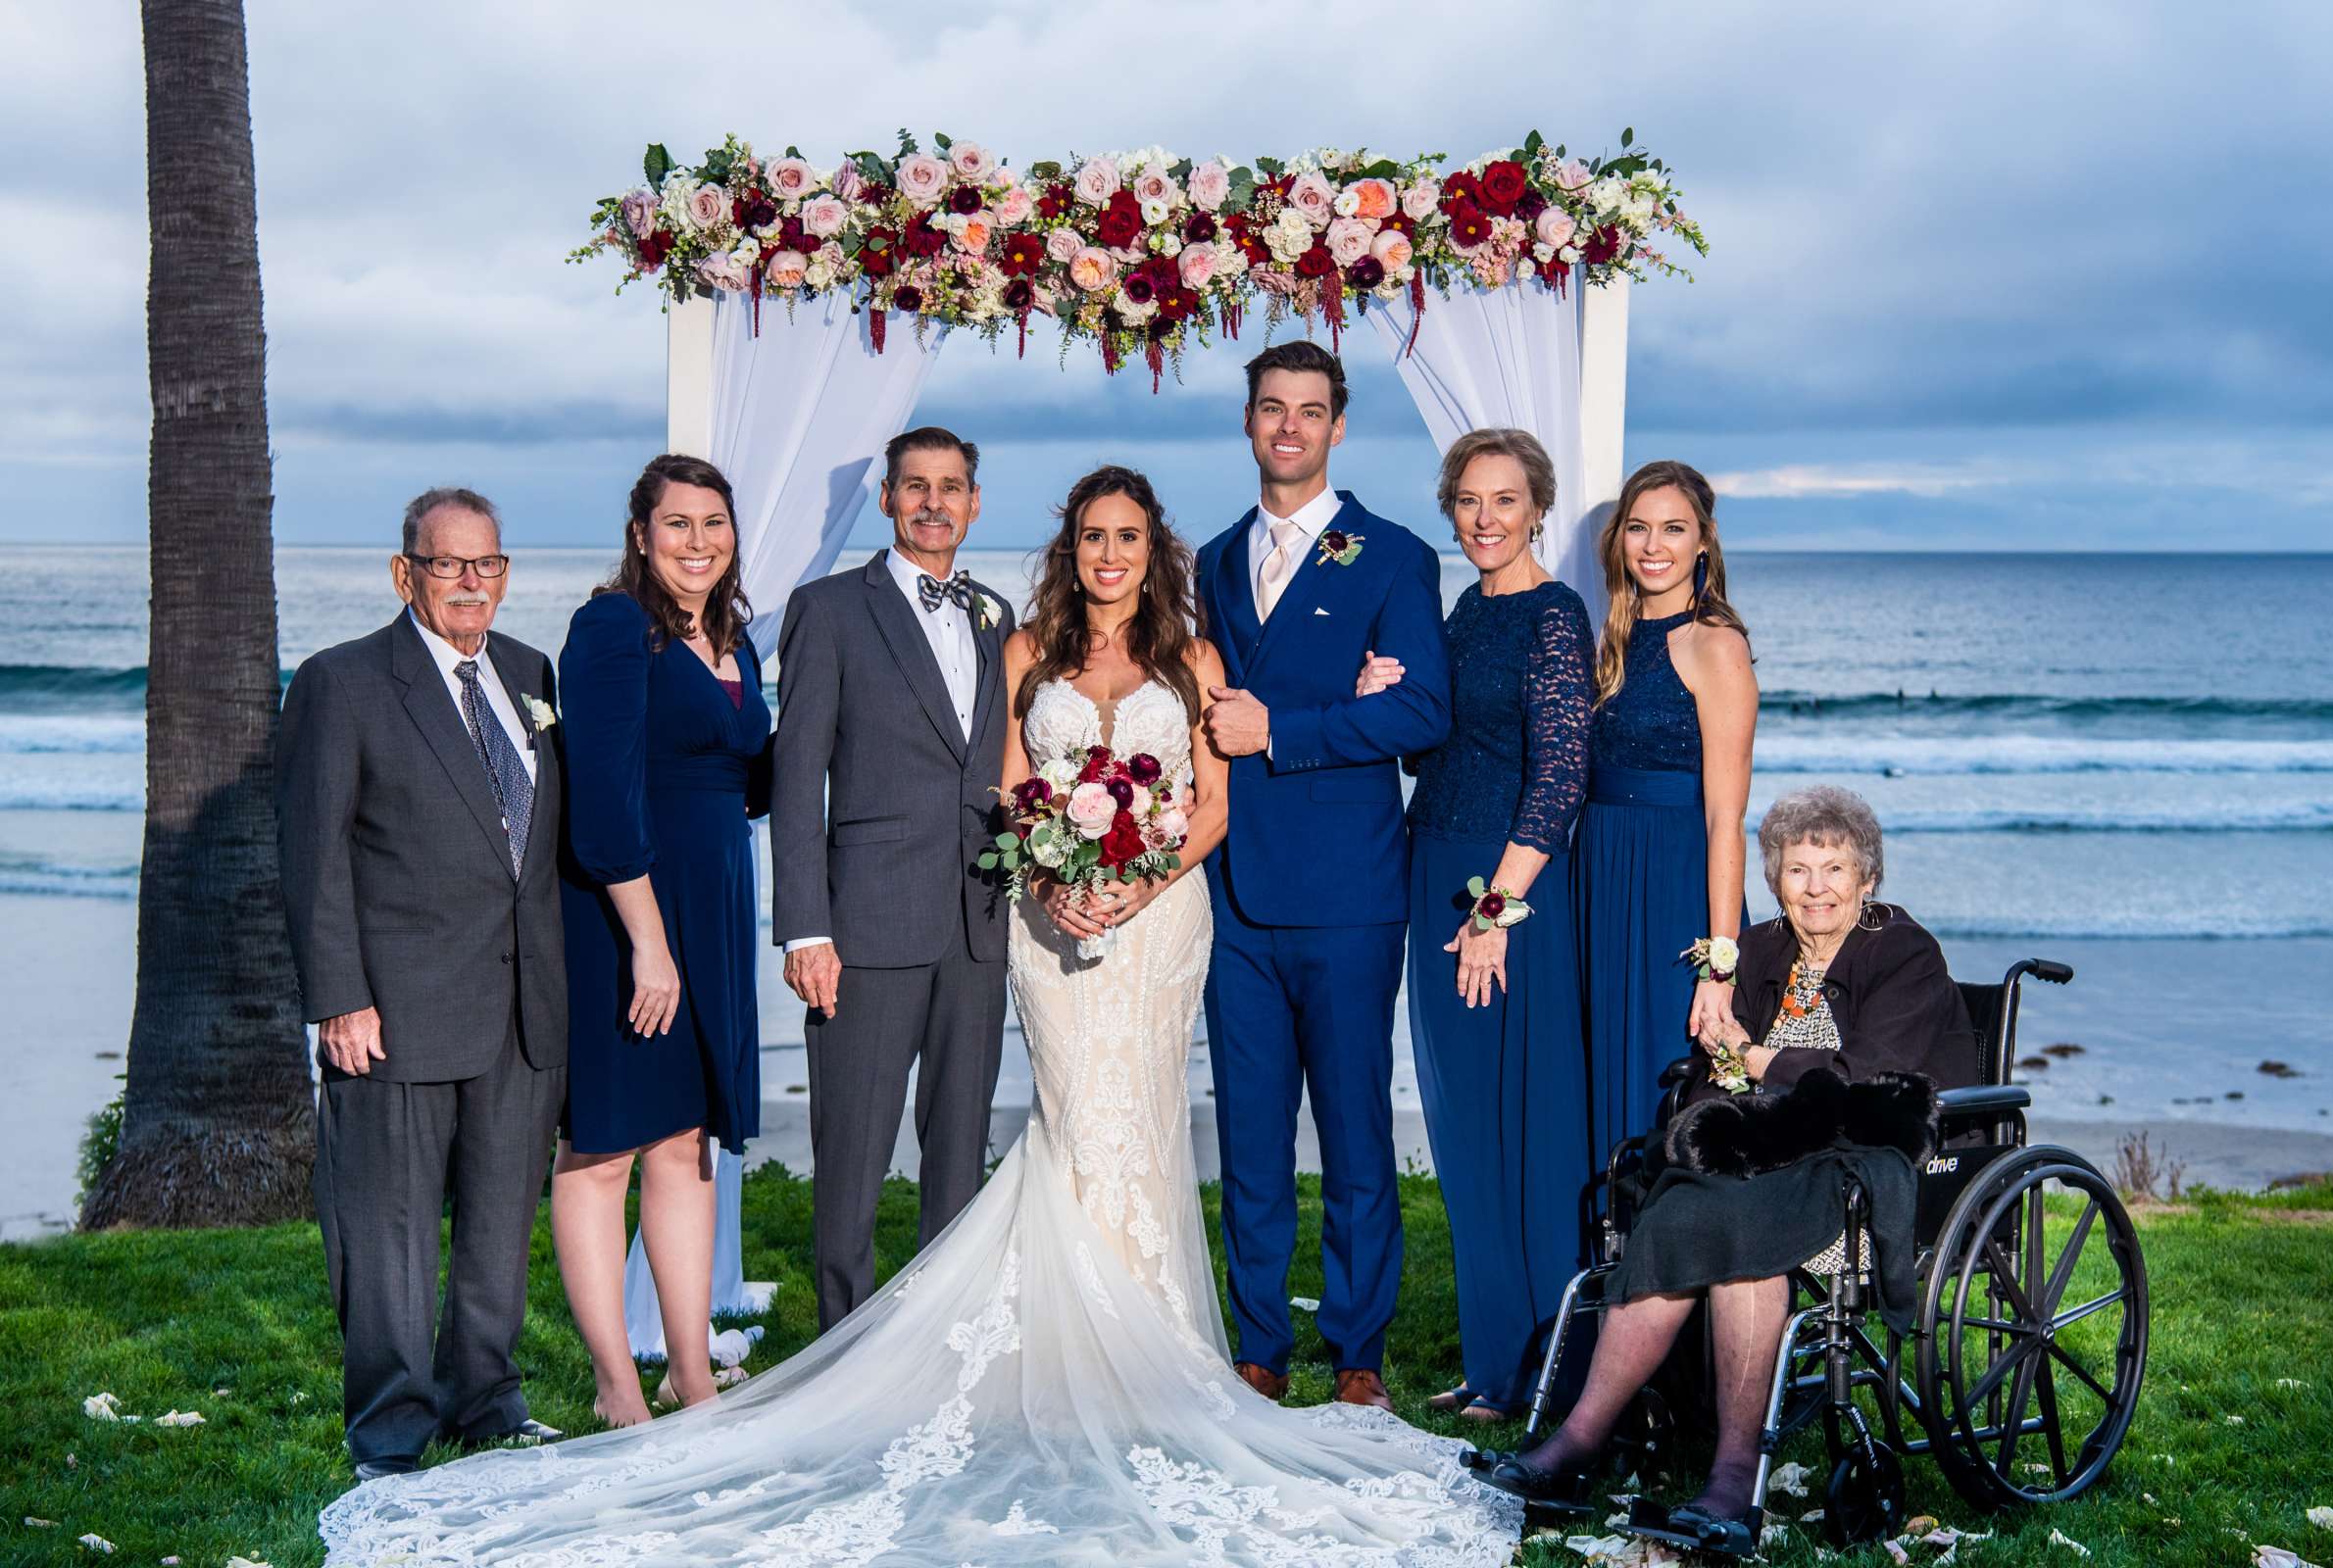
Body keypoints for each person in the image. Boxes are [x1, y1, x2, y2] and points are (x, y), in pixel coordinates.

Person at [316, 467, 1522, 1567]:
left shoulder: (1178, 653)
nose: (1109, 554)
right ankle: (882, 1355)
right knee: (1012, 1128)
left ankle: (1151, 1346)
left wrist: (1138, 878)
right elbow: (964, 782)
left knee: (1129, 1126)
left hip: (1143, 927)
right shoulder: (1010, 643)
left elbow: (1209, 801)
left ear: (1152, 551)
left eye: (1129, 538)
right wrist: (1034, 876)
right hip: (1020, 921)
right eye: (1093, 535)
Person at [1471, 786, 1973, 1556]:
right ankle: (1575, 1446)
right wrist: (1725, 1096)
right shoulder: (1766, 948)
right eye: (1798, 870)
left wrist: (1759, 1059)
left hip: (1858, 1155)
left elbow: (1869, 1082)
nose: (1816, 888)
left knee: (1743, 1232)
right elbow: (1717, 1071)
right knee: (1678, 1209)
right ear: (1775, 879)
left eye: (1834, 868)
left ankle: (1736, 1483)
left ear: (1867, 877)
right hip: (1763, 1150)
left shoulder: (1904, 952)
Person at [277, 487, 566, 1481]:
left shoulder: (532, 673)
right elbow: (311, 856)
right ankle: (392, 1427)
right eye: (449, 564)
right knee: (388, 1229)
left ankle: (486, 1397)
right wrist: (336, 998)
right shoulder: (343, 683)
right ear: (406, 573)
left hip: (522, 1010)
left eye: (487, 564)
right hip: (393, 1009)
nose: (471, 583)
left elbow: (533, 849)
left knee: (498, 1218)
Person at [1194, 340, 1452, 1411]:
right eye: (1271, 408)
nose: (1289, 426)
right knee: (1249, 1134)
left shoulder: (1390, 557)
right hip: (1232, 899)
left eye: (1310, 410)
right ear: (1249, 423)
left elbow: (1420, 712)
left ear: (1338, 426)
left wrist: (1286, 728)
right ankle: (1259, 1342)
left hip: (1349, 895)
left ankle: (1356, 1352)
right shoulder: (1210, 559)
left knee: (1353, 1134)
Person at [1357, 428, 1595, 1423]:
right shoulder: (1460, 612)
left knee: (1522, 1124)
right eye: (1468, 501)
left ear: (1537, 507)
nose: (1485, 519)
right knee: (1461, 1128)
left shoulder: (1554, 616)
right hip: (1434, 871)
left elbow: (1560, 776)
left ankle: (1549, 1363)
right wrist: (1385, 696)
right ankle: (1494, 1359)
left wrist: (1497, 909)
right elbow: (1443, 757)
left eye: (1504, 500)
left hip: (1507, 895)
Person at [769, 426, 1013, 1331]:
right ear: (887, 498)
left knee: (958, 1147)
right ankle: (846, 1340)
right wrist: (805, 927)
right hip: (865, 927)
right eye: (916, 486)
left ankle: (936, 1336)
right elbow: (797, 779)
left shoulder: (996, 613)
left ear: (974, 501)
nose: (934, 502)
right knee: (854, 1153)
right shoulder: (829, 610)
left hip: (979, 923)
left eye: (952, 486)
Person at [552, 454, 772, 1426]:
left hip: (715, 909)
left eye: (714, 523)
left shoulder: (738, 641)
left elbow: (748, 780)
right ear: (641, 534)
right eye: (677, 523)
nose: (698, 542)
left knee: (685, 1144)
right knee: (605, 1147)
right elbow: (600, 798)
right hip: (628, 913)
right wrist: (649, 940)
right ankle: (613, 1382)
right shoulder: (611, 630)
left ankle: (690, 1372)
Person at [1571, 461, 1757, 1185]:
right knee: (1600, 1073)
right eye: (1639, 528)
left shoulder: (1716, 644)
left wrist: (1720, 963)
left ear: (1703, 542)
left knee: (1664, 1081)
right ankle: (1609, 1273)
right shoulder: (1610, 640)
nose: (1654, 545)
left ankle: (1677, 1277)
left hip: (1674, 884)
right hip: (1601, 879)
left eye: (1673, 528)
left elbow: (1726, 817)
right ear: (1619, 540)